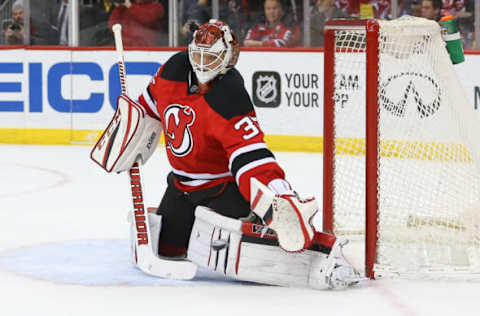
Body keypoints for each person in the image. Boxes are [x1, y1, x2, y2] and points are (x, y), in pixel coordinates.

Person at [91, 19, 362, 289]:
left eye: (210, 58)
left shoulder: (229, 95)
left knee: (231, 251)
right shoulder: (172, 70)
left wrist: (281, 193)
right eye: (197, 55)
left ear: (227, 58)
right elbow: (147, 109)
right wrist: (128, 128)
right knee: (168, 248)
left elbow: (252, 157)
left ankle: (315, 249)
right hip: (181, 186)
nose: (202, 64)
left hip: (222, 189)